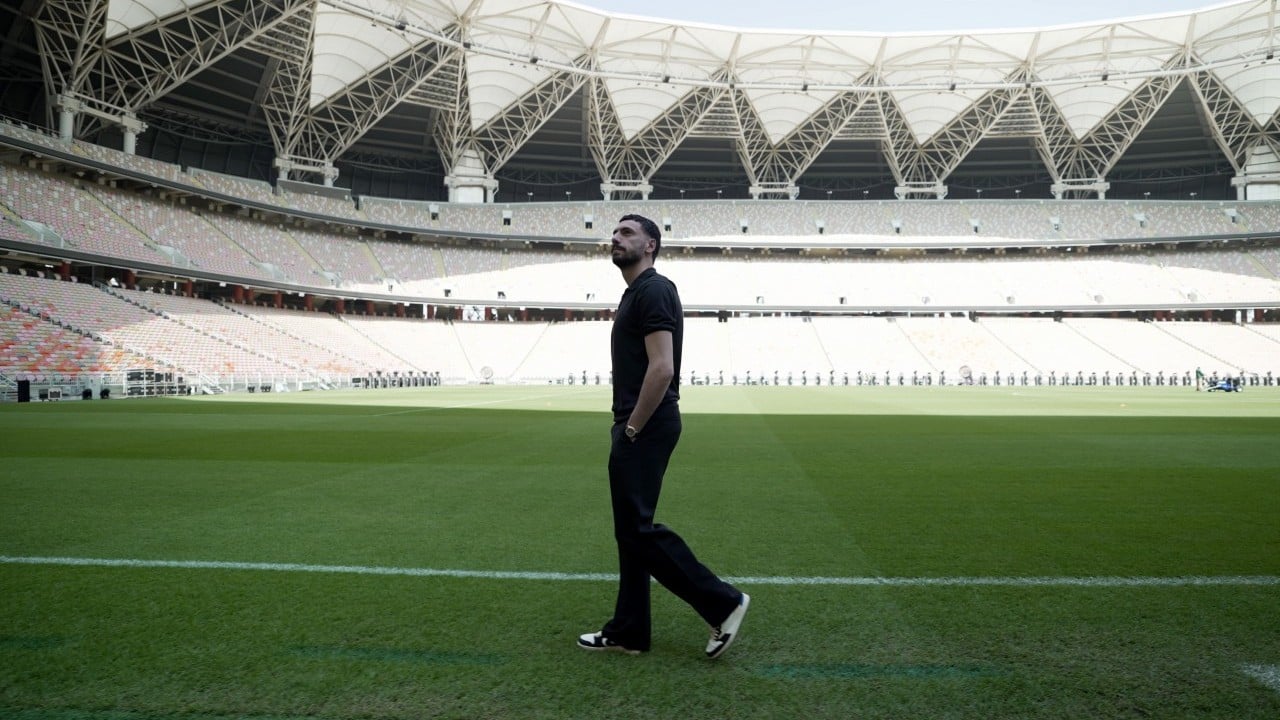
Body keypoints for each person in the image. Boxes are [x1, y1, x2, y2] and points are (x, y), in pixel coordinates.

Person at [577, 213, 749, 660]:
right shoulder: (636, 293)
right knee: (630, 532)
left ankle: (723, 602)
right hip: (641, 423)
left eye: (628, 233)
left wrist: (632, 428)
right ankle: (630, 630)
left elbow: (663, 366)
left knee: (637, 529)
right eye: (614, 233)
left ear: (650, 245)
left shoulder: (653, 289)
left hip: (645, 423)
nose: (616, 238)